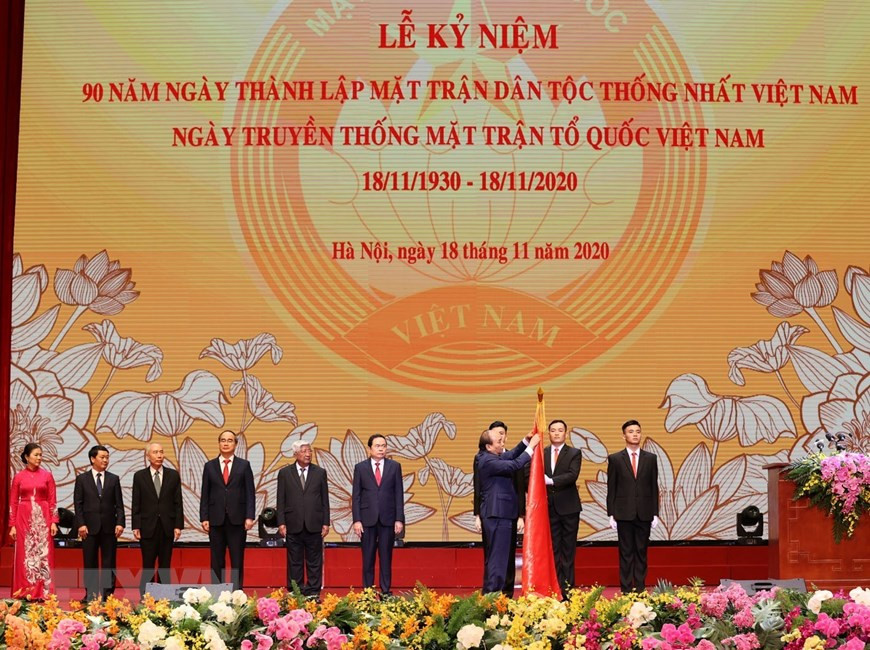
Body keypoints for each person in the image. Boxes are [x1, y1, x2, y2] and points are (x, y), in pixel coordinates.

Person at [477, 424, 540, 594]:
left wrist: (525, 441)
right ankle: (492, 597)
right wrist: (532, 447)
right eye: (498, 441)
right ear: (489, 446)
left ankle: (493, 596)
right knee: (498, 559)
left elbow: (511, 455)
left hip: (500, 514)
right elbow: (514, 465)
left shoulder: (491, 456)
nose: (502, 443)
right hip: (497, 514)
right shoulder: (487, 460)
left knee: (500, 558)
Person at [606, 420, 660, 593]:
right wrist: (611, 513)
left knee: (641, 553)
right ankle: (626, 590)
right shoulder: (615, 458)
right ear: (624, 436)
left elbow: (654, 486)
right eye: (631, 431)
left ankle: (640, 589)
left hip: (644, 512)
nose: (635, 434)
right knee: (626, 553)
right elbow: (612, 487)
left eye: (637, 431)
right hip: (623, 513)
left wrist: (655, 512)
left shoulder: (650, 458)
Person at [200, 430, 256, 590]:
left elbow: (250, 492)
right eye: (223, 440)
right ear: (219, 443)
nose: (226, 443)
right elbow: (205, 493)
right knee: (216, 559)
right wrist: (204, 517)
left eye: (230, 440)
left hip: (237, 519)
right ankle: (217, 591)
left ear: (235, 444)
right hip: (215, 519)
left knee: (237, 559)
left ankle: (237, 592)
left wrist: (249, 516)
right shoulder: (209, 466)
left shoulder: (244, 465)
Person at [351, 434, 405, 596]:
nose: (381, 449)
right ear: (370, 449)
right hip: (367, 519)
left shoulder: (394, 466)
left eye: (384, 445)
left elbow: (399, 494)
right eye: (377, 446)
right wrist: (357, 520)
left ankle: (386, 591)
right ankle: (368, 592)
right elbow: (356, 496)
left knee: (386, 557)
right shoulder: (360, 468)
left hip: (388, 518)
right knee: (368, 558)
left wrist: (399, 519)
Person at [277, 441, 330, 598]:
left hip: (314, 523)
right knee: (295, 562)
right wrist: (281, 522)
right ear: (295, 454)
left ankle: (313, 593)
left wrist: (326, 522)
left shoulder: (320, 472)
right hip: (293, 523)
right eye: (304, 451)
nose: (308, 454)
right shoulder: (285, 473)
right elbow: (280, 500)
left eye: (309, 451)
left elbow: (325, 500)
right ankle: (296, 593)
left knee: (314, 562)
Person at [131, 442, 184, 596]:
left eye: (161, 452)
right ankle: (146, 595)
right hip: (147, 526)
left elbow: (178, 502)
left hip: (167, 526)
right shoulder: (139, 476)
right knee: (148, 563)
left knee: (165, 564)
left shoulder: (173, 475)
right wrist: (136, 525)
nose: (159, 455)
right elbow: (136, 502)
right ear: (148, 456)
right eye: (155, 452)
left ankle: (164, 595)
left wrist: (178, 525)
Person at [74, 445, 125, 600]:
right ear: (92, 459)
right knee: (90, 562)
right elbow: (78, 504)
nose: (105, 460)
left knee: (109, 562)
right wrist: (81, 524)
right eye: (102, 457)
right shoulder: (82, 479)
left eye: (107, 457)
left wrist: (120, 523)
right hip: (89, 528)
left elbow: (119, 504)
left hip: (109, 527)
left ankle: (108, 595)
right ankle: (91, 594)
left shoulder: (113, 479)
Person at [9, 443, 58, 599]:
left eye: (40, 455)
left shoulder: (47, 475)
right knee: (25, 554)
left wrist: (53, 521)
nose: (39, 458)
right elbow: (13, 502)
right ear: (26, 456)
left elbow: (52, 500)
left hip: (43, 517)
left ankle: (44, 592)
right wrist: (12, 525)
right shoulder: (18, 477)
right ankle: (25, 591)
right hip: (23, 517)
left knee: (44, 554)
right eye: (36, 454)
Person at [541, 419, 582, 599]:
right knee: (553, 551)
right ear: (549, 433)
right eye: (553, 430)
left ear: (565, 433)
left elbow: (572, 475)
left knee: (568, 551)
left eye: (560, 430)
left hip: (569, 509)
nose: (556, 433)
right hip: (548, 508)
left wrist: (551, 481)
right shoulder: (542, 452)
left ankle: (568, 591)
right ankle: (555, 590)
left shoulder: (574, 453)